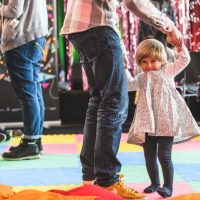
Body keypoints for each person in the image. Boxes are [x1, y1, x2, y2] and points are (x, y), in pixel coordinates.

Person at [61, 0, 183, 199]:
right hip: (99, 27)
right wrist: (169, 26)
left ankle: (91, 175)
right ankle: (107, 179)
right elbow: (135, 2)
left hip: (76, 28)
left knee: (98, 100)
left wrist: (119, 48)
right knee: (113, 103)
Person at [125, 38, 200, 198]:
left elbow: (185, 60)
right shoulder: (141, 77)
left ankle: (168, 186)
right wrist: (124, 68)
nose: (149, 65)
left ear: (162, 60)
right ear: (139, 63)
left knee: (164, 155)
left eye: (153, 61)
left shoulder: (167, 71)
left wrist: (180, 47)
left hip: (166, 120)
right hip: (147, 122)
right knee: (149, 155)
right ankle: (154, 183)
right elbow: (129, 85)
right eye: (144, 62)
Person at [0, 0, 48, 160]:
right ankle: (35, 139)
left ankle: (30, 143)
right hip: (35, 37)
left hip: (21, 39)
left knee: (28, 94)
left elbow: (14, 10)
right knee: (34, 91)